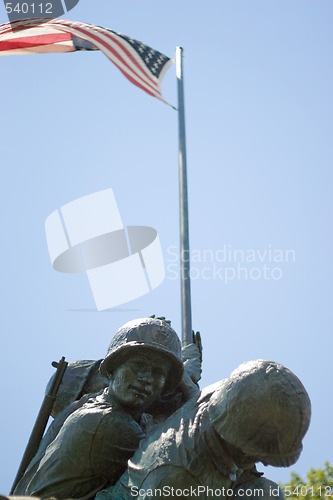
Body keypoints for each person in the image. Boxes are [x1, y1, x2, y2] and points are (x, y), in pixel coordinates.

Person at [13, 317, 193, 499]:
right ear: (111, 370)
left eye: (158, 372)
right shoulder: (107, 421)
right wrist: (189, 384)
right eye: (138, 365)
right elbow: (184, 463)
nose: (146, 378)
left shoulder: (121, 413)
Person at [97, 359, 311, 500]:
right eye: (260, 452)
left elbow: (194, 396)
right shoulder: (176, 477)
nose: (263, 462)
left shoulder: (230, 393)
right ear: (236, 438)